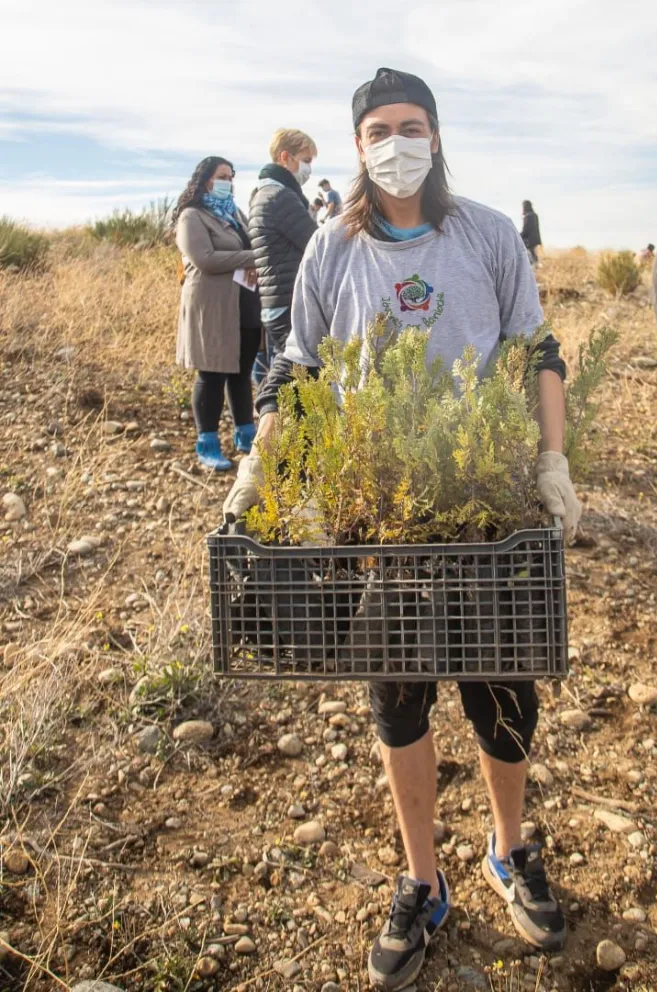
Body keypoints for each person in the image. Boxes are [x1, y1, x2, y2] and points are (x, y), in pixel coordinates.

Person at [225, 67, 581, 991]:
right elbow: (296, 369)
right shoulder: (330, 249)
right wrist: (262, 464)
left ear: (436, 134)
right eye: (379, 129)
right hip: (375, 520)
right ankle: (421, 879)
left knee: (502, 692)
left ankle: (508, 848)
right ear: (356, 144)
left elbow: (538, 351)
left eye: (411, 125)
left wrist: (552, 461)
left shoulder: (487, 234)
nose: (396, 142)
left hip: (487, 511)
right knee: (398, 699)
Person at [173, 157, 261, 471]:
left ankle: (246, 435)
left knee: (241, 370)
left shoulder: (234, 213)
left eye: (231, 176)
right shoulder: (191, 216)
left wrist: (251, 260)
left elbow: (249, 245)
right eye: (222, 176)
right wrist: (254, 258)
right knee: (212, 373)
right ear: (205, 179)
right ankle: (207, 443)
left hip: (244, 300)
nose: (228, 182)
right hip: (211, 304)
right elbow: (206, 259)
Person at [249, 128, 318, 368]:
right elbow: (316, 244)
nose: (309, 169)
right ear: (285, 157)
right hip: (289, 302)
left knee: (284, 370)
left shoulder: (263, 194)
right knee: (297, 375)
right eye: (306, 160)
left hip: (276, 302)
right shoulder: (280, 197)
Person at [521, 199, 542, 266]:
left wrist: (519, 235)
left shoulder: (528, 216)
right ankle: (536, 264)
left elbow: (526, 229)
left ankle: (534, 265)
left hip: (529, 240)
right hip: (535, 238)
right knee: (533, 253)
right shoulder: (534, 215)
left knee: (529, 253)